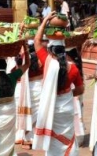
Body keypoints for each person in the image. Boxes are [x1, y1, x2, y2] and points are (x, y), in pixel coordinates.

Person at [32, 12, 85, 156]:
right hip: (66, 107)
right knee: (68, 137)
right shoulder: (73, 67)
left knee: (54, 142)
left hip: (52, 107)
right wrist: (67, 93)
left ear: (50, 50)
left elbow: (36, 41)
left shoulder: (47, 62)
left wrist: (44, 21)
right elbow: (80, 89)